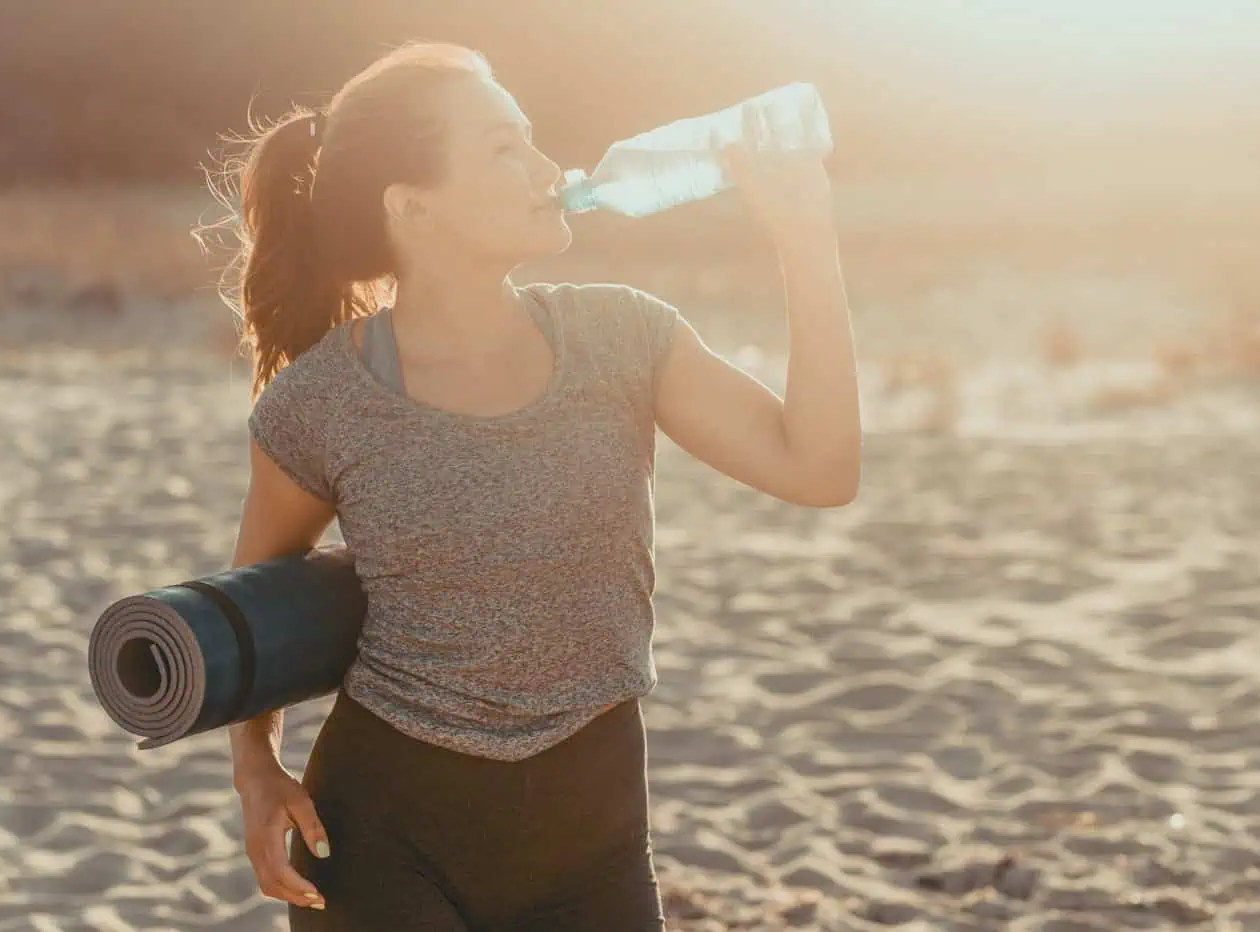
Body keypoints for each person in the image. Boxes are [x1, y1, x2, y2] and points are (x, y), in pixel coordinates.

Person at [216, 40, 860, 931]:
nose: (547, 169)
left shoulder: (624, 338)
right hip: (379, 846)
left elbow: (821, 468)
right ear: (414, 206)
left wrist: (806, 237)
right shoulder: (323, 400)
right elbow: (245, 621)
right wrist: (256, 771)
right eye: (502, 150)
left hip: (593, 850)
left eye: (533, 140)